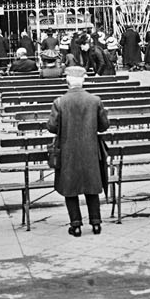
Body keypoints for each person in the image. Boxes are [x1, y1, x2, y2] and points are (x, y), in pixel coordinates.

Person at [46, 66, 111, 237]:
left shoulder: (59, 102)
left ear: (67, 81)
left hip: (69, 151)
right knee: (91, 186)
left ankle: (76, 225)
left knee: (70, 188)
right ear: (83, 81)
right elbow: (104, 126)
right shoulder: (95, 100)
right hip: (90, 150)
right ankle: (96, 223)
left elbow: (52, 127)